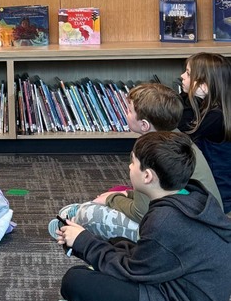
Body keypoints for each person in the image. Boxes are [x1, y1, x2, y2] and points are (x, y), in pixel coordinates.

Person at [52, 131, 231, 301]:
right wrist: (81, 241)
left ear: (148, 176)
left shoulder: (165, 220)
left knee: (75, 282)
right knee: (118, 243)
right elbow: (147, 257)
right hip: (192, 297)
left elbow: (132, 271)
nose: (129, 167)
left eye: (133, 162)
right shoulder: (191, 196)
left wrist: (83, 241)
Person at [50, 83, 222, 242]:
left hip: (183, 233)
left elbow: (139, 213)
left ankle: (73, 224)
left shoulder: (151, 152)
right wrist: (123, 195)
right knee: (118, 192)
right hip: (203, 222)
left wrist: (111, 199)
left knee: (88, 213)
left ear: (145, 125)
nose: (125, 113)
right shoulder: (178, 139)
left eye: (129, 110)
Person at [177, 52, 231, 212]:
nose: (182, 76)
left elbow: (182, 129)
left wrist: (191, 97)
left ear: (205, 86)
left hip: (218, 195)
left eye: (188, 73)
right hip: (210, 187)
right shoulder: (213, 108)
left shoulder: (216, 117)